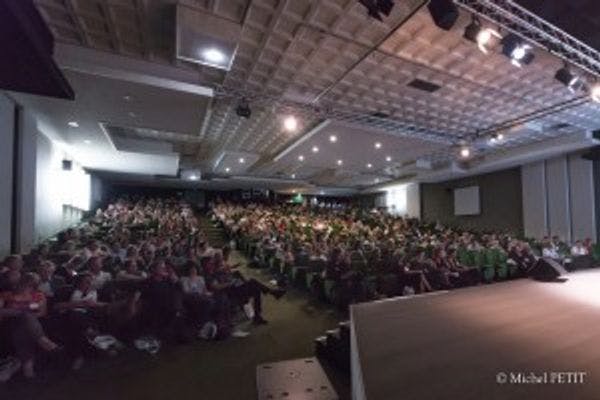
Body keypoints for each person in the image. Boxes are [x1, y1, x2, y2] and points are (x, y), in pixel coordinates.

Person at [0, 273, 61, 378]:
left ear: (34, 285)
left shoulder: (39, 295)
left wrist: (22, 312)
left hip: (30, 323)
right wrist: (25, 309)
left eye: (30, 284)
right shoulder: (7, 294)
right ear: (19, 282)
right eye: (24, 283)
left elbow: (42, 312)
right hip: (9, 322)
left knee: (24, 324)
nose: (25, 286)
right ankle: (43, 342)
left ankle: (28, 369)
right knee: (25, 315)